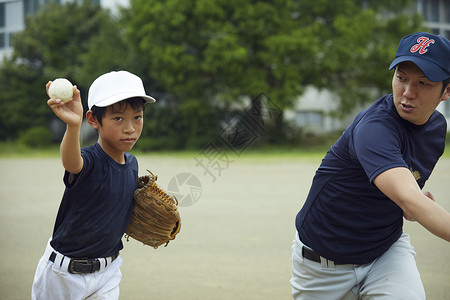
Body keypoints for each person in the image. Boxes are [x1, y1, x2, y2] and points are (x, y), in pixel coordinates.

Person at [291, 32, 450, 299]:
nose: (407, 93)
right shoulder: (374, 129)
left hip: (385, 254)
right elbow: (410, 201)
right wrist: (413, 203)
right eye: (401, 78)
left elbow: (407, 198)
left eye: (423, 83)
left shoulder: (435, 129)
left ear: (447, 90)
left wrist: (413, 202)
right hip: (321, 268)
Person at [31, 70, 156, 300]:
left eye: (137, 117)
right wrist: (73, 126)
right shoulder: (90, 161)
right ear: (93, 120)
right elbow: (71, 162)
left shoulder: (132, 164)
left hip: (107, 273)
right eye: (118, 118)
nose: (130, 127)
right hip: (63, 275)